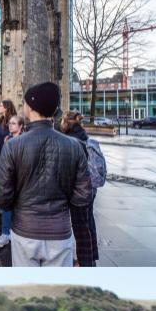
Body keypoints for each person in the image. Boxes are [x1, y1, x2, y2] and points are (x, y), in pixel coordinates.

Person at [0, 82, 93, 267]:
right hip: (60, 232)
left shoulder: (13, 146)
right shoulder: (74, 146)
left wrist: (19, 207)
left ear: (30, 108)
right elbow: (83, 195)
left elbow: (2, 194)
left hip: (25, 231)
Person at [60, 111, 103, 267]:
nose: (60, 123)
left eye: (62, 120)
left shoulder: (70, 141)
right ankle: (91, 258)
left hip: (78, 190)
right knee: (89, 222)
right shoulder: (85, 136)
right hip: (91, 187)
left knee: (79, 228)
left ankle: (85, 263)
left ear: (66, 123)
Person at [0, 115, 24, 249]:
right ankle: (5, 234)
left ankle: (18, 233)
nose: (10, 126)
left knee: (20, 208)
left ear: (20, 126)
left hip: (22, 178)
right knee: (7, 206)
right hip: (10, 178)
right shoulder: (7, 139)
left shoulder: (25, 140)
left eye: (13, 123)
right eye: (10, 123)